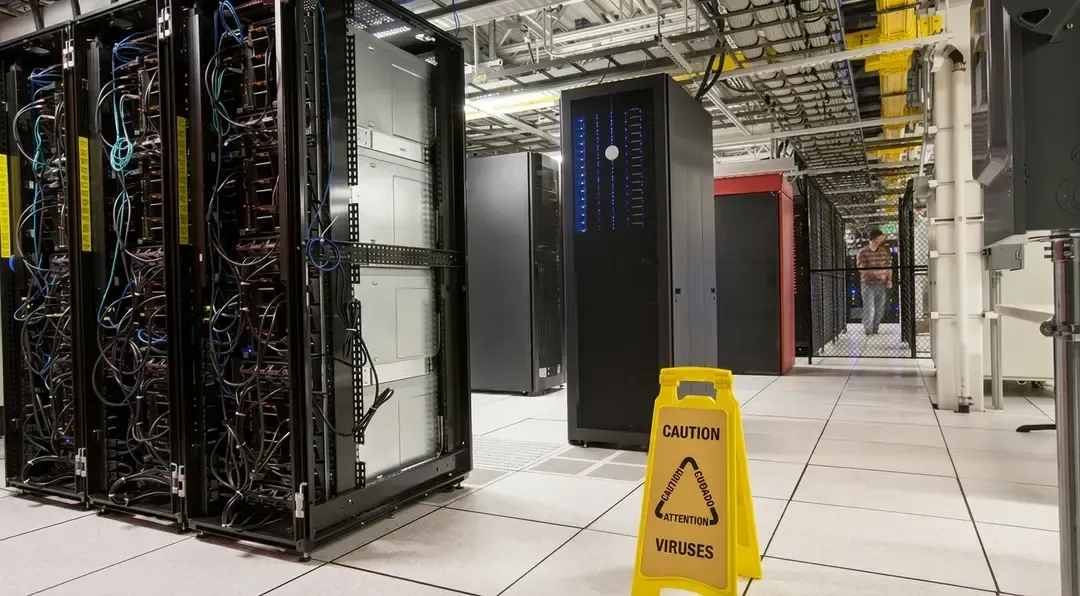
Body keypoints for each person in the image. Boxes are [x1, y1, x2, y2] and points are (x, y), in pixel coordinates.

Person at [857, 229, 892, 335]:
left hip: (881, 284)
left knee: (880, 308)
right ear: (876, 238)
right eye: (881, 237)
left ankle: (875, 328)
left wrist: (889, 280)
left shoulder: (883, 251)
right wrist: (880, 273)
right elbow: (862, 269)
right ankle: (868, 330)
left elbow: (889, 267)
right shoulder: (863, 252)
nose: (883, 238)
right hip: (868, 284)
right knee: (869, 307)